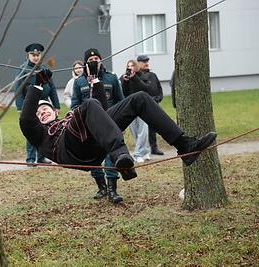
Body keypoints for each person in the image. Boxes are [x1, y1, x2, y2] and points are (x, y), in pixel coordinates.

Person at [19, 68, 217, 204]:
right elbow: (26, 119)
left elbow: (102, 114)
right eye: (38, 114)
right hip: (71, 150)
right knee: (88, 106)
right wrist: (37, 86)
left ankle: (185, 146)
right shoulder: (40, 134)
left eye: (44, 109)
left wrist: (95, 78)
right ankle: (121, 156)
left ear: (55, 111)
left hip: (95, 143)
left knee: (139, 99)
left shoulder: (69, 118)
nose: (41, 113)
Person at [71, 48, 125, 203]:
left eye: (96, 60)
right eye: (90, 61)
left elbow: (121, 101)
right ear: (86, 64)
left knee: (111, 155)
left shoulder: (112, 78)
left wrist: (121, 123)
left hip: (110, 123)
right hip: (90, 126)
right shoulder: (79, 81)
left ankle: (112, 190)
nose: (94, 63)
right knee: (94, 156)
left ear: (101, 61)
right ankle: (101, 187)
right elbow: (75, 105)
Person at [14, 43, 60, 166]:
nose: (35, 57)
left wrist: (56, 105)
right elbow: (18, 89)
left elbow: (52, 88)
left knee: (46, 130)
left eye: (38, 55)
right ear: (28, 55)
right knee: (32, 131)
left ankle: (42, 157)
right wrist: (20, 107)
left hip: (44, 103)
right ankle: (30, 159)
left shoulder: (44, 69)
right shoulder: (23, 70)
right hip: (31, 106)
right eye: (33, 55)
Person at [119, 59, 150, 163]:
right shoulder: (124, 78)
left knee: (143, 132)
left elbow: (146, 89)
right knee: (135, 132)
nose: (130, 68)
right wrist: (125, 81)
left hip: (142, 107)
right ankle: (145, 151)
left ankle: (137, 154)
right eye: (128, 66)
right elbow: (123, 93)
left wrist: (135, 78)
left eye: (132, 65)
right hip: (130, 108)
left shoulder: (142, 76)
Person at [137, 55, 165, 156]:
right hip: (143, 106)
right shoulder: (138, 76)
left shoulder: (153, 75)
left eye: (147, 61)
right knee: (142, 130)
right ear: (139, 63)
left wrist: (158, 98)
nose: (146, 63)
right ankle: (142, 149)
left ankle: (154, 147)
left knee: (153, 127)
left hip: (154, 104)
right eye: (144, 61)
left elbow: (159, 88)